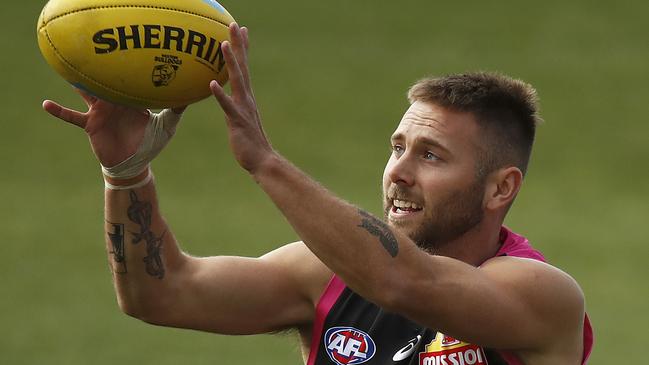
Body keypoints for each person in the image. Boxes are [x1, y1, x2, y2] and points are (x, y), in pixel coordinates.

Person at [42, 23, 593, 365]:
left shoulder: (542, 296)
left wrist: (264, 160)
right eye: (397, 147)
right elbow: (158, 294)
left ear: (501, 188)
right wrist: (127, 172)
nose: (398, 172)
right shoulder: (325, 273)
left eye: (431, 155)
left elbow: (402, 282)